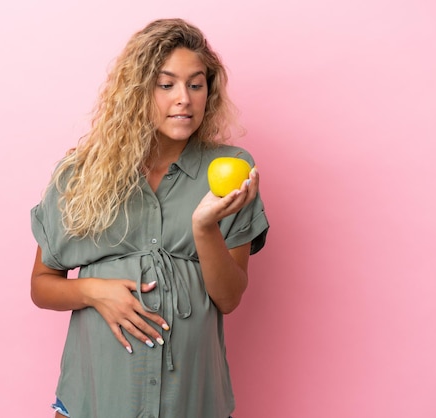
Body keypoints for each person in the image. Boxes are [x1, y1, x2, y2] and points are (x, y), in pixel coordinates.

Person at [30, 18, 269, 418]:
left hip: (192, 402)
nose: (184, 99)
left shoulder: (230, 169)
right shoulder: (82, 174)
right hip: (97, 399)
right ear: (138, 91)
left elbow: (228, 298)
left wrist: (204, 226)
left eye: (196, 84)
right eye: (166, 84)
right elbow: (41, 285)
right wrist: (93, 291)